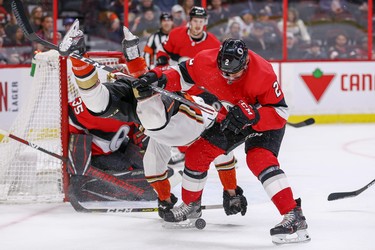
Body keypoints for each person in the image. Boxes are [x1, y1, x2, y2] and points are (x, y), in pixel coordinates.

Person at [59, 21, 245, 218]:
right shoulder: (210, 116)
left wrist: (231, 192)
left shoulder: (214, 131)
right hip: (171, 110)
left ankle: (165, 200)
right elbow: (225, 155)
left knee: (150, 156)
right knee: (100, 106)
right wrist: (231, 191)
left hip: (157, 123)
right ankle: (78, 54)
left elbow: (224, 156)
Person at [138, 38, 310, 244]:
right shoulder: (206, 60)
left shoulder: (263, 72)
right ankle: (191, 205)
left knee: (259, 159)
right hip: (231, 118)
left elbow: (281, 113)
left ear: (245, 64)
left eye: (234, 73)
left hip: (261, 120)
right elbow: (182, 73)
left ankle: (293, 215)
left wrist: (255, 116)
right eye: (224, 72)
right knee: (197, 154)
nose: (228, 78)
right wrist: (156, 77)